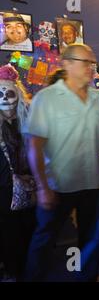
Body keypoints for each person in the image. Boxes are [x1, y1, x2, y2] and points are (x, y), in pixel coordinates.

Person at [23, 44, 99, 282]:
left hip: (90, 184)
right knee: (44, 240)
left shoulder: (98, 98)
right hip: (57, 186)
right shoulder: (46, 98)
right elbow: (33, 145)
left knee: (90, 239)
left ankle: (86, 277)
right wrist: (42, 187)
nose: (91, 68)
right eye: (85, 62)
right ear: (66, 64)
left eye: (93, 63)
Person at [0, 65, 36, 282]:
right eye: (0, 93)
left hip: (30, 188)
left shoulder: (27, 120)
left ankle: (26, 269)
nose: (5, 98)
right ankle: (14, 271)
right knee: (9, 233)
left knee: (29, 229)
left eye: (9, 92)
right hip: (4, 191)